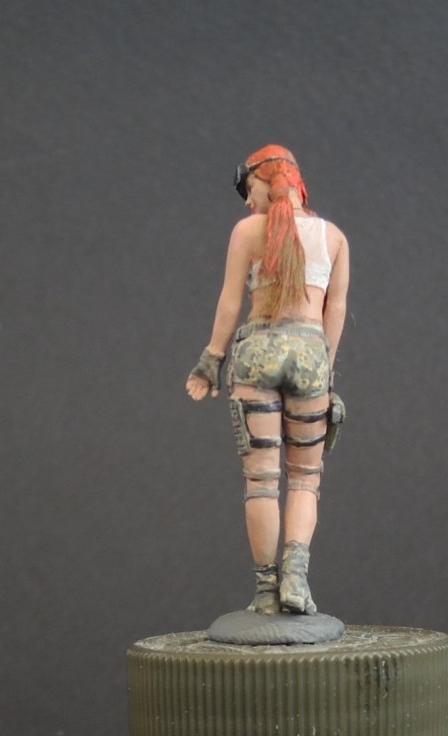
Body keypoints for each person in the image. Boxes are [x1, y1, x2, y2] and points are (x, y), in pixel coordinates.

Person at [186, 145, 349, 616]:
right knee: (305, 478)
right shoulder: (334, 237)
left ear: (270, 180)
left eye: (250, 188)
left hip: (258, 352)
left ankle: (265, 591)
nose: (247, 200)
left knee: (261, 480)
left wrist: (211, 360)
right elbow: (334, 310)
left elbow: (229, 301)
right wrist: (325, 374)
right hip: (310, 356)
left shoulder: (247, 232)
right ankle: (296, 579)